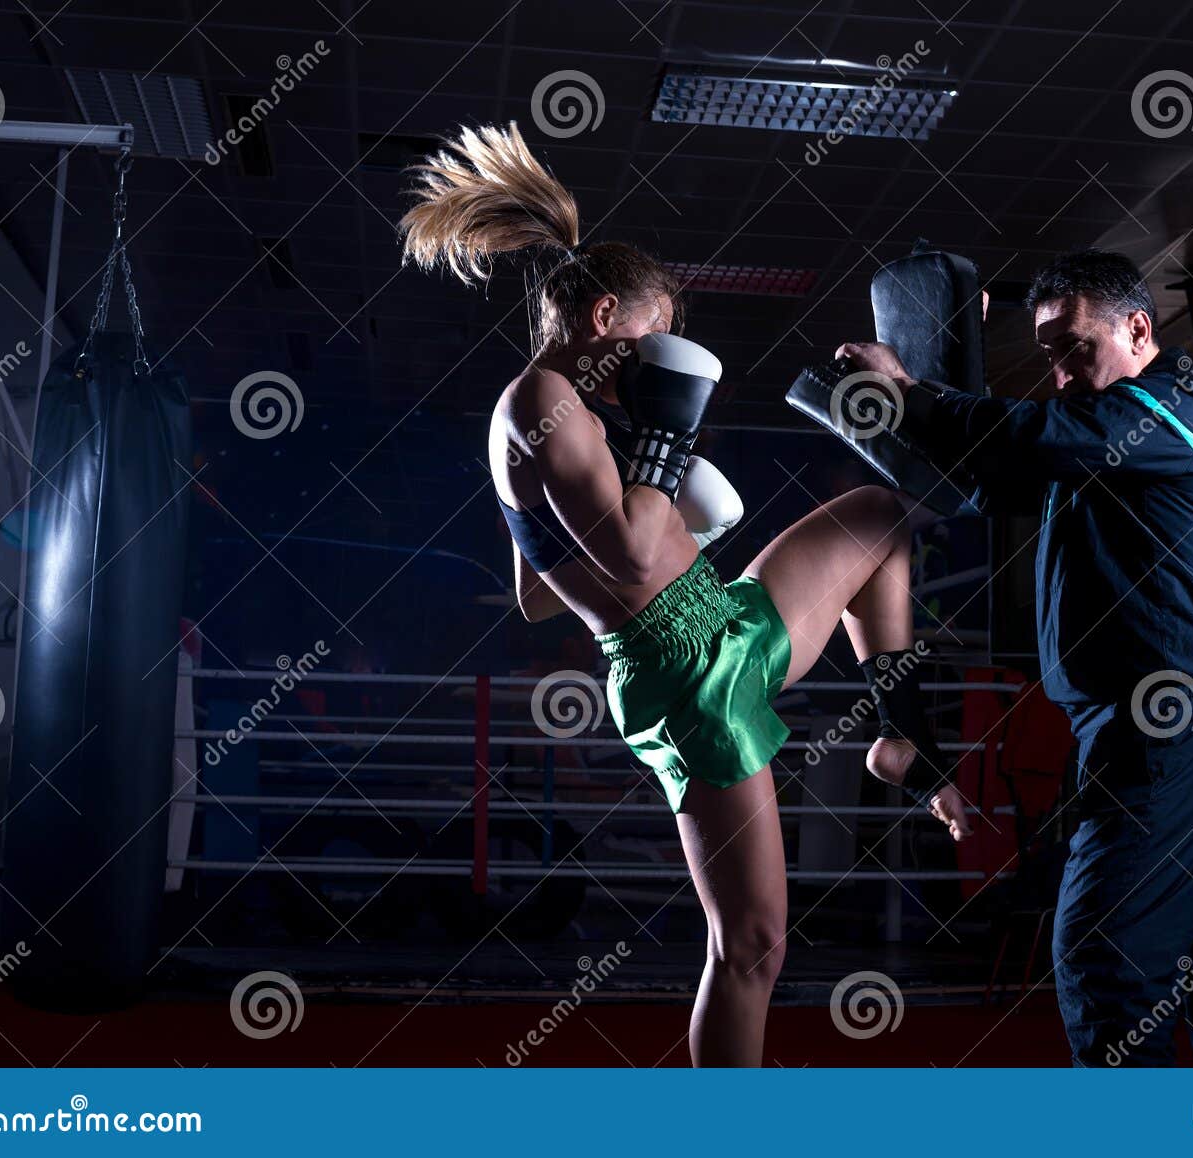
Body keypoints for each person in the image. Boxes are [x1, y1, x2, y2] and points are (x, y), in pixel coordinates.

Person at [396, 122, 970, 1067]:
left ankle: (898, 737)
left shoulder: (566, 418)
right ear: (606, 317)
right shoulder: (541, 405)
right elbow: (625, 562)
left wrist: (682, 523)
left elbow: (540, 597)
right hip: (685, 678)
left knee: (877, 515)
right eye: (656, 336)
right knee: (751, 946)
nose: (662, 357)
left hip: (724, 623)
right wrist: (665, 455)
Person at [833, 248, 1193, 1066]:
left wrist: (914, 394)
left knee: (1102, 954)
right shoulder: (1100, 439)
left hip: (1172, 725)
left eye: (1077, 348)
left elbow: (1029, 434)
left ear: (1139, 328)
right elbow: (1001, 469)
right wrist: (932, 383)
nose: (1063, 373)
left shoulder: (1181, 411)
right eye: (1048, 355)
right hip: (1130, 728)